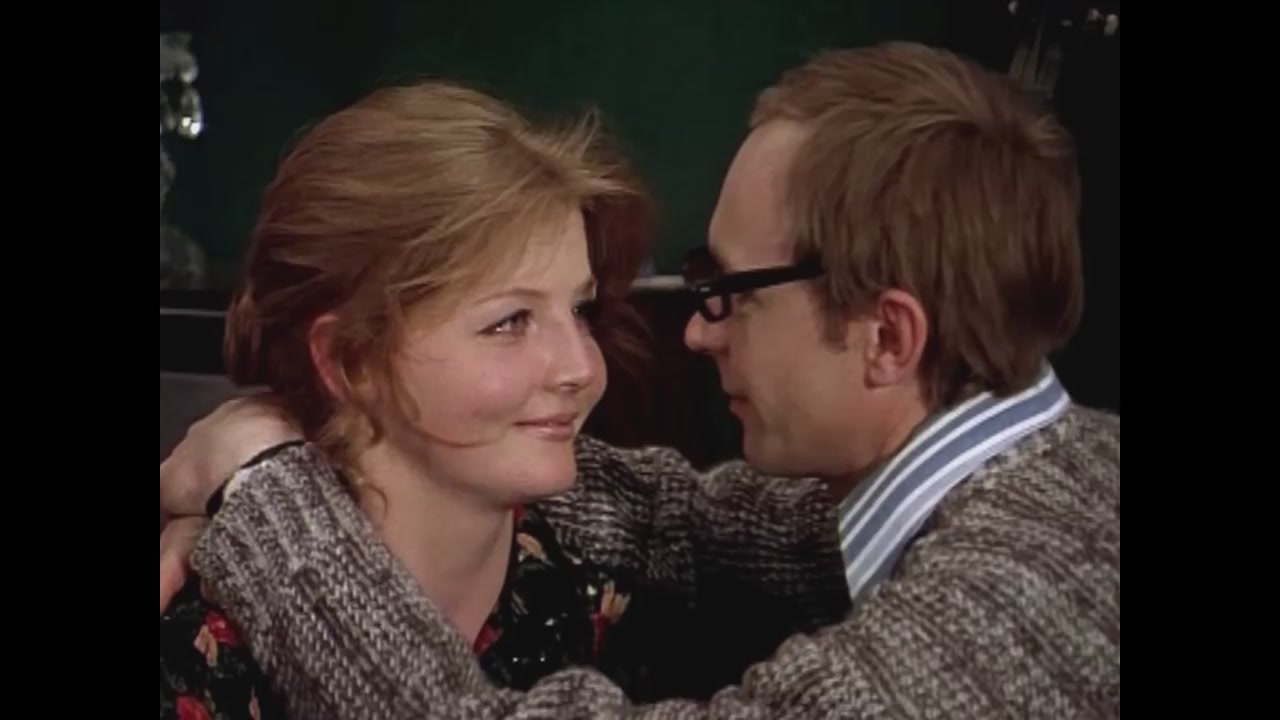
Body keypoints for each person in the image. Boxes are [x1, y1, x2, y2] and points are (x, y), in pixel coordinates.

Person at [160, 42, 1120, 718]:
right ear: (348, 360)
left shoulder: (1012, 613)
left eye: (729, 292)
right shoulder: (1056, 482)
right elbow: (692, 522)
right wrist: (317, 448)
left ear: (889, 337)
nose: (694, 333)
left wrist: (271, 494)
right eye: (510, 321)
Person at [159, 79, 851, 719]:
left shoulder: (602, 566)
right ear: (350, 360)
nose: (581, 367)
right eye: (509, 322)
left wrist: (259, 478)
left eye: (580, 311)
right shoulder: (198, 649)